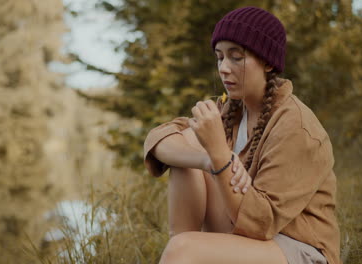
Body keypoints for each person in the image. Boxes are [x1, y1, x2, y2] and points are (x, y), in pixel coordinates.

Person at [143, 6, 341, 264]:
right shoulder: (231, 109)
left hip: (298, 248)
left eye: (236, 57)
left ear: (268, 62)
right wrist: (206, 159)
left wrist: (218, 153)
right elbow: (158, 138)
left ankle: (184, 252)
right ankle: (185, 249)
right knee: (189, 144)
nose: (224, 68)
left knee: (183, 250)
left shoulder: (297, 126)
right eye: (219, 57)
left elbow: (261, 223)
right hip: (251, 237)